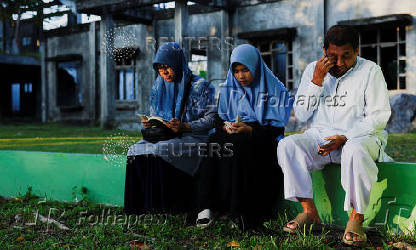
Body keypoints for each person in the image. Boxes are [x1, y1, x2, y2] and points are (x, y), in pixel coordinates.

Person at [277, 25, 393, 245]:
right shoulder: (314, 69)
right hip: (320, 138)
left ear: (357, 51)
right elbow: (301, 113)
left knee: (354, 148)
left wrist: (346, 137)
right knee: (287, 145)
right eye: (332, 56)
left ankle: (356, 218)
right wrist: (316, 80)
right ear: (324, 50)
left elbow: (379, 116)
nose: (339, 63)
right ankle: (310, 213)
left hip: (360, 138)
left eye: (346, 57)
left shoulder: (370, 71)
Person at [196, 44, 293, 230]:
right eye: (237, 71)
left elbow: (277, 130)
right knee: (213, 142)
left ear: (255, 66)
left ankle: (239, 212)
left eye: (245, 70)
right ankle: (207, 207)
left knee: (240, 145)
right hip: (235, 133)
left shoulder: (275, 89)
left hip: (263, 142)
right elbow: (219, 118)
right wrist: (226, 126)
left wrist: (250, 130)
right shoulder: (230, 88)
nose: (241, 76)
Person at [124, 42, 216, 215]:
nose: (164, 72)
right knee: (134, 150)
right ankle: (139, 207)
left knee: (161, 149)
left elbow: (212, 119)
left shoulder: (200, 86)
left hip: (195, 138)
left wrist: (185, 126)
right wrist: (151, 123)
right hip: (166, 135)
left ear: (178, 63)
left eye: (168, 67)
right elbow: (155, 113)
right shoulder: (159, 86)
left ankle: (168, 206)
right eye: (160, 68)